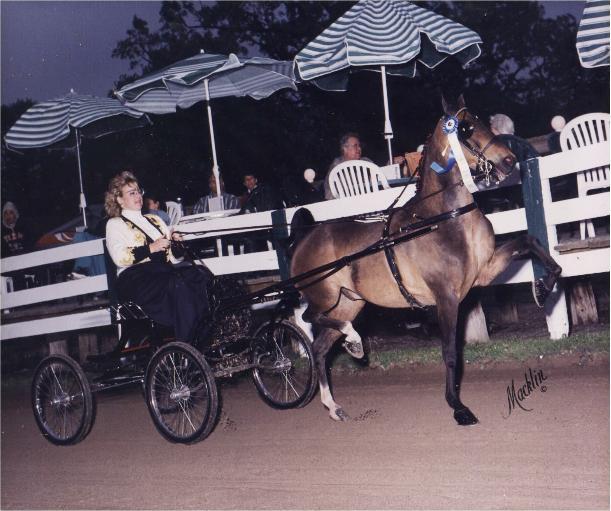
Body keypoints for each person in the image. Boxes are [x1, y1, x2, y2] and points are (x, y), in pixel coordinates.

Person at [104, 171, 211, 342]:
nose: (138, 195)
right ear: (119, 199)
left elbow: (173, 259)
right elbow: (120, 257)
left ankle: (208, 337)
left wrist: (177, 246)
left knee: (201, 275)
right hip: (135, 279)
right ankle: (189, 345)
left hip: (162, 273)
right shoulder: (115, 224)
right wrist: (151, 248)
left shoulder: (155, 220)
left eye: (139, 191)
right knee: (179, 283)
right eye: (132, 193)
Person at [323, 132, 373, 199]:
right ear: (345, 149)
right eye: (355, 146)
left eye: (359, 146)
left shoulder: (366, 162)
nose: (359, 148)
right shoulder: (336, 167)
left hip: (369, 200)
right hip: (345, 205)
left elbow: (380, 176)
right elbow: (328, 194)